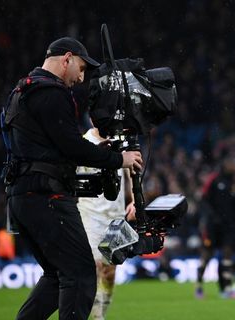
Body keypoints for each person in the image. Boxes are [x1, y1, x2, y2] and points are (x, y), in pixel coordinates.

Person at [3, 37, 142, 319]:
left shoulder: (22, 90)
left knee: (57, 276)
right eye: (80, 68)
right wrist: (118, 159)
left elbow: (52, 148)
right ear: (66, 58)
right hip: (47, 197)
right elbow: (72, 146)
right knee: (80, 274)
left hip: (23, 196)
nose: (81, 77)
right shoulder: (52, 92)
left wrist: (95, 153)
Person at [77, 127, 136, 320]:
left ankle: (99, 314)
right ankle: (91, 315)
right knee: (94, 268)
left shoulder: (120, 143)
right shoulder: (83, 142)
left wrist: (133, 200)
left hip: (115, 217)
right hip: (89, 214)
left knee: (109, 272)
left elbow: (131, 176)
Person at [195, 156, 235, 299]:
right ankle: (199, 286)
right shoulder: (214, 179)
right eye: (232, 163)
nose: (234, 166)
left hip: (229, 227)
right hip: (212, 226)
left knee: (227, 256)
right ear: (225, 164)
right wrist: (210, 217)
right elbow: (204, 200)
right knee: (206, 256)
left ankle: (227, 287)